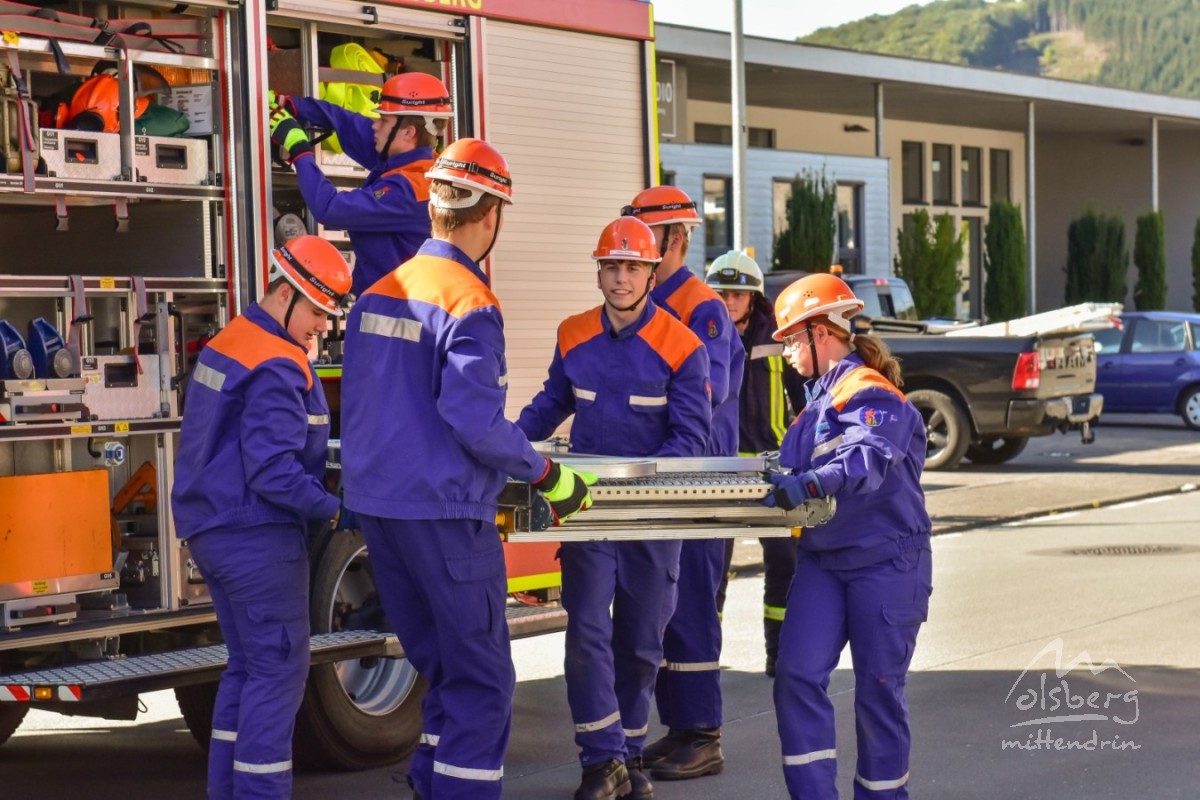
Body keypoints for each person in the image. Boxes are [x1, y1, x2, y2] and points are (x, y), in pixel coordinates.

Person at [339, 137, 594, 800]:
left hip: (381, 513)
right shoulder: (468, 302)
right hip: (446, 515)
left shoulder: (376, 295)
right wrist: (544, 473)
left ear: (433, 206)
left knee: (441, 667)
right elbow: (475, 421)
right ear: (493, 215)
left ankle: (431, 781)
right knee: (481, 681)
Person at [517, 216, 712, 800]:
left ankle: (627, 753)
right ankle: (600, 762)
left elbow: (691, 439)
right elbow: (551, 403)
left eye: (632, 267)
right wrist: (504, 442)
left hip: (652, 517)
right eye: (611, 266)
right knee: (587, 633)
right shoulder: (573, 334)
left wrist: (644, 489)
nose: (620, 277)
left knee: (640, 641)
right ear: (598, 270)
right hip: (587, 512)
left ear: (651, 272)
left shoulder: (684, 346)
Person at [171, 234, 352, 799]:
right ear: (285, 295)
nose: (322, 327)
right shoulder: (277, 361)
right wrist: (337, 511)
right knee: (277, 675)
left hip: (215, 530)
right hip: (257, 538)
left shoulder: (235, 340)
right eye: (319, 311)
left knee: (247, 671)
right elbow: (273, 472)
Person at [764, 273, 933, 799]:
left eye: (793, 338)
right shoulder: (817, 400)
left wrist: (814, 481)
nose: (788, 352)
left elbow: (867, 456)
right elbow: (793, 465)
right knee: (795, 676)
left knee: (878, 693)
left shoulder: (870, 392)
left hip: (886, 563)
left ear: (823, 332)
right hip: (824, 561)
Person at [623, 186, 745, 781]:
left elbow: (707, 389)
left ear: (674, 239)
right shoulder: (651, 301)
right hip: (666, 472)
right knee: (666, 607)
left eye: (648, 238)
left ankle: (703, 735)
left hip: (700, 476)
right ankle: (679, 730)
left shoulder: (703, 308)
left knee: (692, 604)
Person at [705, 250, 806, 679]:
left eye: (737, 294)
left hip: (770, 468)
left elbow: (803, 396)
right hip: (721, 470)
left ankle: (778, 655)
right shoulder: (703, 334)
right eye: (722, 292)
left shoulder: (777, 337)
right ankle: (704, 659)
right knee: (711, 569)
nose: (729, 300)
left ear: (753, 297)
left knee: (785, 564)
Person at [268, 71, 453, 296]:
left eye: (383, 120)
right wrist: (290, 105)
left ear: (408, 132)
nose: (375, 126)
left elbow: (329, 209)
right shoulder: (414, 160)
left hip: (393, 311)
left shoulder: (412, 191)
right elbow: (348, 124)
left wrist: (298, 147)